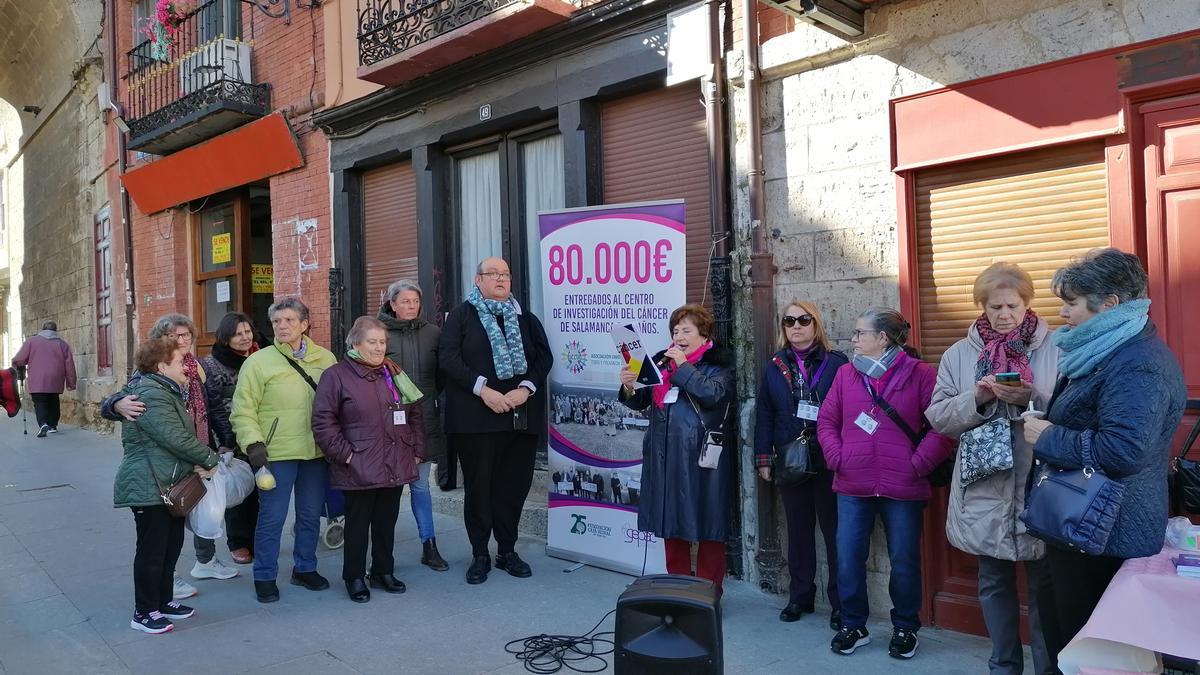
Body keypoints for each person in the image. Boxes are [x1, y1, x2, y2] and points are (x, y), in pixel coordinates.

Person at [1022, 249, 1186, 669]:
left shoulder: (1137, 363)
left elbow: (1124, 450)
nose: (1062, 312)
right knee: (1069, 642)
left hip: (1104, 534)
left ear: (1110, 303)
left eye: (1072, 302)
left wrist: (1050, 436)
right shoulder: (1105, 350)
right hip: (1081, 525)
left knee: (1091, 653)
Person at [925, 263, 1058, 675]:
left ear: (1027, 303)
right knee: (993, 581)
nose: (1005, 315)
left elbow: (1075, 409)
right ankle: (1003, 665)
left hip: (1041, 483)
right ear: (982, 306)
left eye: (1012, 305)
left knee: (1045, 589)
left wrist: (1029, 398)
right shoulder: (959, 354)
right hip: (985, 484)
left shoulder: (1058, 347)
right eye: (996, 306)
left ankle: (1047, 668)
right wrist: (979, 398)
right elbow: (938, 416)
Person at [816, 307, 954, 660]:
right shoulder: (847, 374)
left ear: (883, 338)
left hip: (903, 487)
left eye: (861, 333)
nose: (854, 339)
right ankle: (853, 625)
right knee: (847, 558)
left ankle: (906, 627)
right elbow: (827, 421)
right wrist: (837, 458)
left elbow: (942, 426)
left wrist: (918, 464)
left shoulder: (921, 374)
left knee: (905, 561)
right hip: (852, 484)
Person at [102, 314, 239, 598]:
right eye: (175, 336)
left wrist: (224, 442)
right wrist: (115, 404)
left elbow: (213, 407)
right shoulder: (151, 376)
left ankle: (204, 561)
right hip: (168, 459)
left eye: (186, 335)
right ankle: (164, 587)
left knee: (195, 508)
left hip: (194, 450)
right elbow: (127, 398)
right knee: (162, 532)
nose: (183, 340)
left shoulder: (196, 368)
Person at [439, 257, 552, 585]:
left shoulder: (525, 318)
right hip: (476, 418)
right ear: (478, 280)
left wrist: (526, 388)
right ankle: (479, 553)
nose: (501, 279)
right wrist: (482, 389)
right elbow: (448, 358)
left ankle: (507, 550)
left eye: (506, 274)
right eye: (494, 274)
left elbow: (544, 357)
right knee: (480, 488)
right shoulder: (462, 316)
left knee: (513, 487)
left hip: (519, 417)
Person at [619, 304, 735, 596]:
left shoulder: (719, 364)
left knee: (709, 525)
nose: (679, 336)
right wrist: (630, 387)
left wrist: (683, 366)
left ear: (703, 334)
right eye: (675, 330)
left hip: (701, 459)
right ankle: (679, 590)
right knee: (670, 524)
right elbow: (641, 401)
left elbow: (713, 395)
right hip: (665, 457)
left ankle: (709, 593)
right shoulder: (659, 363)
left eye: (686, 330)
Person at [230, 298, 338, 603]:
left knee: (308, 516)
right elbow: (243, 409)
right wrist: (252, 444)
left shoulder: (325, 359)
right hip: (275, 453)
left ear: (304, 324)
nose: (282, 326)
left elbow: (338, 403)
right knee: (272, 517)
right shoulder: (258, 362)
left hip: (316, 452)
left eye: (289, 320)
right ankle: (264, 574)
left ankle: (305, 568)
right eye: (277, 321)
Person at [312, 317, 427, 602]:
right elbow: (323, 422)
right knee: (358, 523)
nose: (379, 348)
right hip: (359, 463)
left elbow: (413, 413)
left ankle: (382, 571)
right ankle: (354, 576)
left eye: (382, 342)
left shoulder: (393, 372)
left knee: (387, 520)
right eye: (372, 342)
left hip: (396, 458)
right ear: (356, 343)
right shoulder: (336, 375)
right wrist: (346, 455)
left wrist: (416, 449)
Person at [112, 336, 220, 634]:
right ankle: (144, 611)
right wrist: (211, 458)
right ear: (162, 365)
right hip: (150, 483)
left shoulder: (164, 389)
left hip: (168, 481)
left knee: (170, 545)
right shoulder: (151, 392)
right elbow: (174, 437)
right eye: (180, 362)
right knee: (152, 550)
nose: (187, 368)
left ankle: (163, 600)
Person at [754, 300, 848, 626]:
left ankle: (841, 603)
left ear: (815, 323)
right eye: (789, 321)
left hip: (828, 457)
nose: (796, 326)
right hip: (791, 456)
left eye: (803, 319)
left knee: (836, 533)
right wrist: (764, 458)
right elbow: (764, 413)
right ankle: (801, 597)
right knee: (798, 531)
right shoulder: (775, 365)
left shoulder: (837, 364)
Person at [377, 279, 449, 570]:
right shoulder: (377, 333)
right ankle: (382, 554)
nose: (411, 306)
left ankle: (429, 545)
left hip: (424, 422)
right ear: (392, 304)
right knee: (387, 490)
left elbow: (443, 375)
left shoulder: (433, 333)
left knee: (421, 487)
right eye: (404, 301)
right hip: (387, 423)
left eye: (415, 301)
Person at [198, 312, 261, 565]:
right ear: (226, 338)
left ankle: (257, 538)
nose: (244, 337)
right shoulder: (211, 365)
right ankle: (238, 541)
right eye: (238, 333)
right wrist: (224, 440)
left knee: (259, 487)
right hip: (229, 438)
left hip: (259, 432)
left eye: (247, 331)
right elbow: (212, 406)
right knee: (237, 490)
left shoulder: (261, 358)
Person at [11, 320, 76, 437]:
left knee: (39, 401)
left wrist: (18, 367)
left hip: (37, 379)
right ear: (55, 330)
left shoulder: (31, 342)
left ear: (42, 329)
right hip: (56, 378)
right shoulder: (62, 344)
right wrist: (71, 383)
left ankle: (43, 423)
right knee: (53, 400)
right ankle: (53, 425)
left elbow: (19, 359)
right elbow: (69, 365)